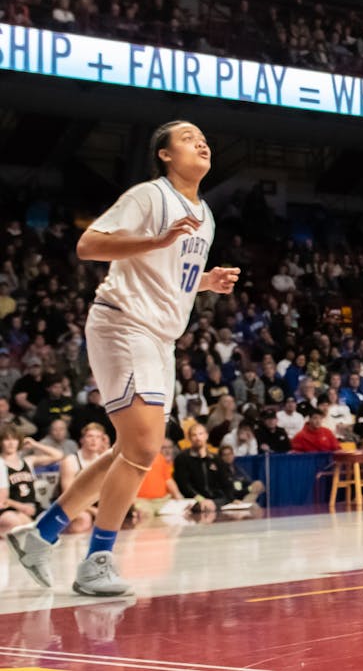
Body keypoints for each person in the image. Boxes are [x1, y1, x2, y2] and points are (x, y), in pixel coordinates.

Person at [7, 120, 239, 596]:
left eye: (204, 136)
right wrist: (154, 241)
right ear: (165, 155)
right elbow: (89, 244)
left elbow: (168, 276)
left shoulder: (206, 215)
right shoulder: (149, 197)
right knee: (143, 447)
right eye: (188, 137)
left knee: (126, 450)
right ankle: (97, 561)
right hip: (124, 323)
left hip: (160, 338)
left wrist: (205, 282)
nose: (201, 140)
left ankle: (40, 535)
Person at [2, 428, 64, 534]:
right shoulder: (1, 464)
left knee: (55, 524)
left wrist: (35, 444)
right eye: (7, 439)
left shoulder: (28, 461)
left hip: (32, 507)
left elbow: (58, 455)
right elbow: (2, 497)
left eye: (14, 439)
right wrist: (21, 507)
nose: (11, 443)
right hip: (10, 508)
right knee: (17, 525)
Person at [57, 424, 111, 534]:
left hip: (94, 505)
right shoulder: (71, 461)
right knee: (84, 519)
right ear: (82, 440)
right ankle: (67, 547)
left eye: (98, 437)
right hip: (70, 505)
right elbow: (67, 496)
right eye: (90, 436)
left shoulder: (102, 460)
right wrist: (93, 510)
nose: (94, 440)